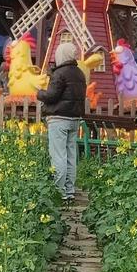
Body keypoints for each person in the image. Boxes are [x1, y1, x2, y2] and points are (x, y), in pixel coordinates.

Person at [37, 40, 86, 201]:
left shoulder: (60, 73)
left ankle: (59, 191)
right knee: (71, 155)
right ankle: (69, 190)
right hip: (74, 118)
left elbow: (52, 96)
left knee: (58, 155)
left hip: (59, 118)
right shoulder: (80, 73)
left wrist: (39, 93)